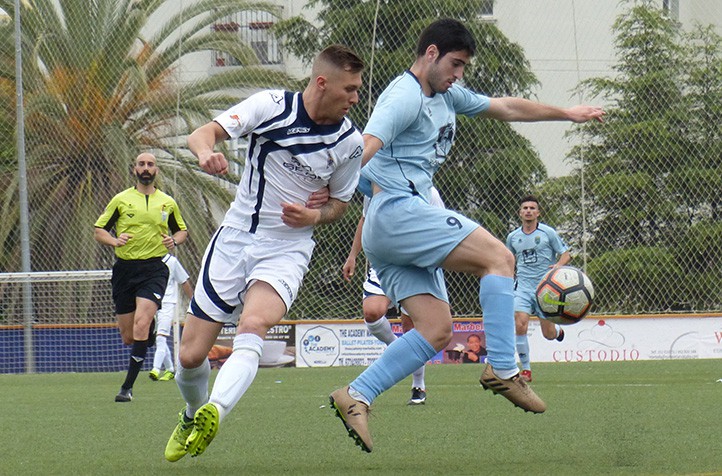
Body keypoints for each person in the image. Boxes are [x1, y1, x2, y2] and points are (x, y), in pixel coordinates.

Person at [329, 18, 604, 453]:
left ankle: (356, 394)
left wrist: (565, 113)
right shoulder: (403, 96)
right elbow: (365, 146)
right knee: (499, 258)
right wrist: (325, 195)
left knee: (437, 331)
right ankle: (502, 367)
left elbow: (507, 107)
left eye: (464, 68)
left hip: (392, 228)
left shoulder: (448, 94)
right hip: (399, 213)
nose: (459, 75)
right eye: (456, 64)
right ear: (432, 53)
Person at [164, 44, 364, 462]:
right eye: (350, 89)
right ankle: (191, 413)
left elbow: (340, 205)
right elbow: (202, 134)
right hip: (235, 239)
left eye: (358, 90)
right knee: (189, 355)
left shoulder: (349, 142)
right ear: (322, 82)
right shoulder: (271, 106)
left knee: (254, 323)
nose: (355, 98)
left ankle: (214, 412)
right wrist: (206, 154)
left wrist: (313, 218)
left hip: (286, 249)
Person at [94, 152, 188, 402]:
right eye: (141, 164)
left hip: (154, 269)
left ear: (157, 170)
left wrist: (173, 240)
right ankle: (147, 329)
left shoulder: (167, 202)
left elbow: (182, 232)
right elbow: (98, 230)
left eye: (150, 164)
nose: (146, 168)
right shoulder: (121, 200)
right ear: (134, 169)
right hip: (125, 270)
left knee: (141, 324)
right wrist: (114, 240)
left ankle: (127, 388)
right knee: (129, 336)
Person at [343, 186, 445, 405]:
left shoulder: (428, 191)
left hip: (415, 265)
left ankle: (418, 386)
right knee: (372, 312)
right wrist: (353, 255)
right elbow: (365, 220)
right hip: (384, 260)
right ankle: (396, 346)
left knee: (413, 329)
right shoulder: (374, 188)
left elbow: (441, 227)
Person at [506, 195, 570, 383]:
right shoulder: (513, 237)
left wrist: (558, 265)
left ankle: (557, 331)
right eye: (525, 208)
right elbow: (508, 260)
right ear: (520, 213)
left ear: (538, 212)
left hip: (545, 289)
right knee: (520, 324)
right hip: (523, 288)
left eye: (532, 208)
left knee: (548, 335)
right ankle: (526, 370)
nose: (528, 211)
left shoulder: (548, 233)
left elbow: (566, 254)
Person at [149, 254, 194, 382]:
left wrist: (194, 300)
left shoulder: (172, 261)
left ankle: (156, 369)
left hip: (168, 303)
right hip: (152, 302)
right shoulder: (147, 258)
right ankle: (170, 369)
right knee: (159, 337)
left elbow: (184, 281)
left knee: (160, 337)